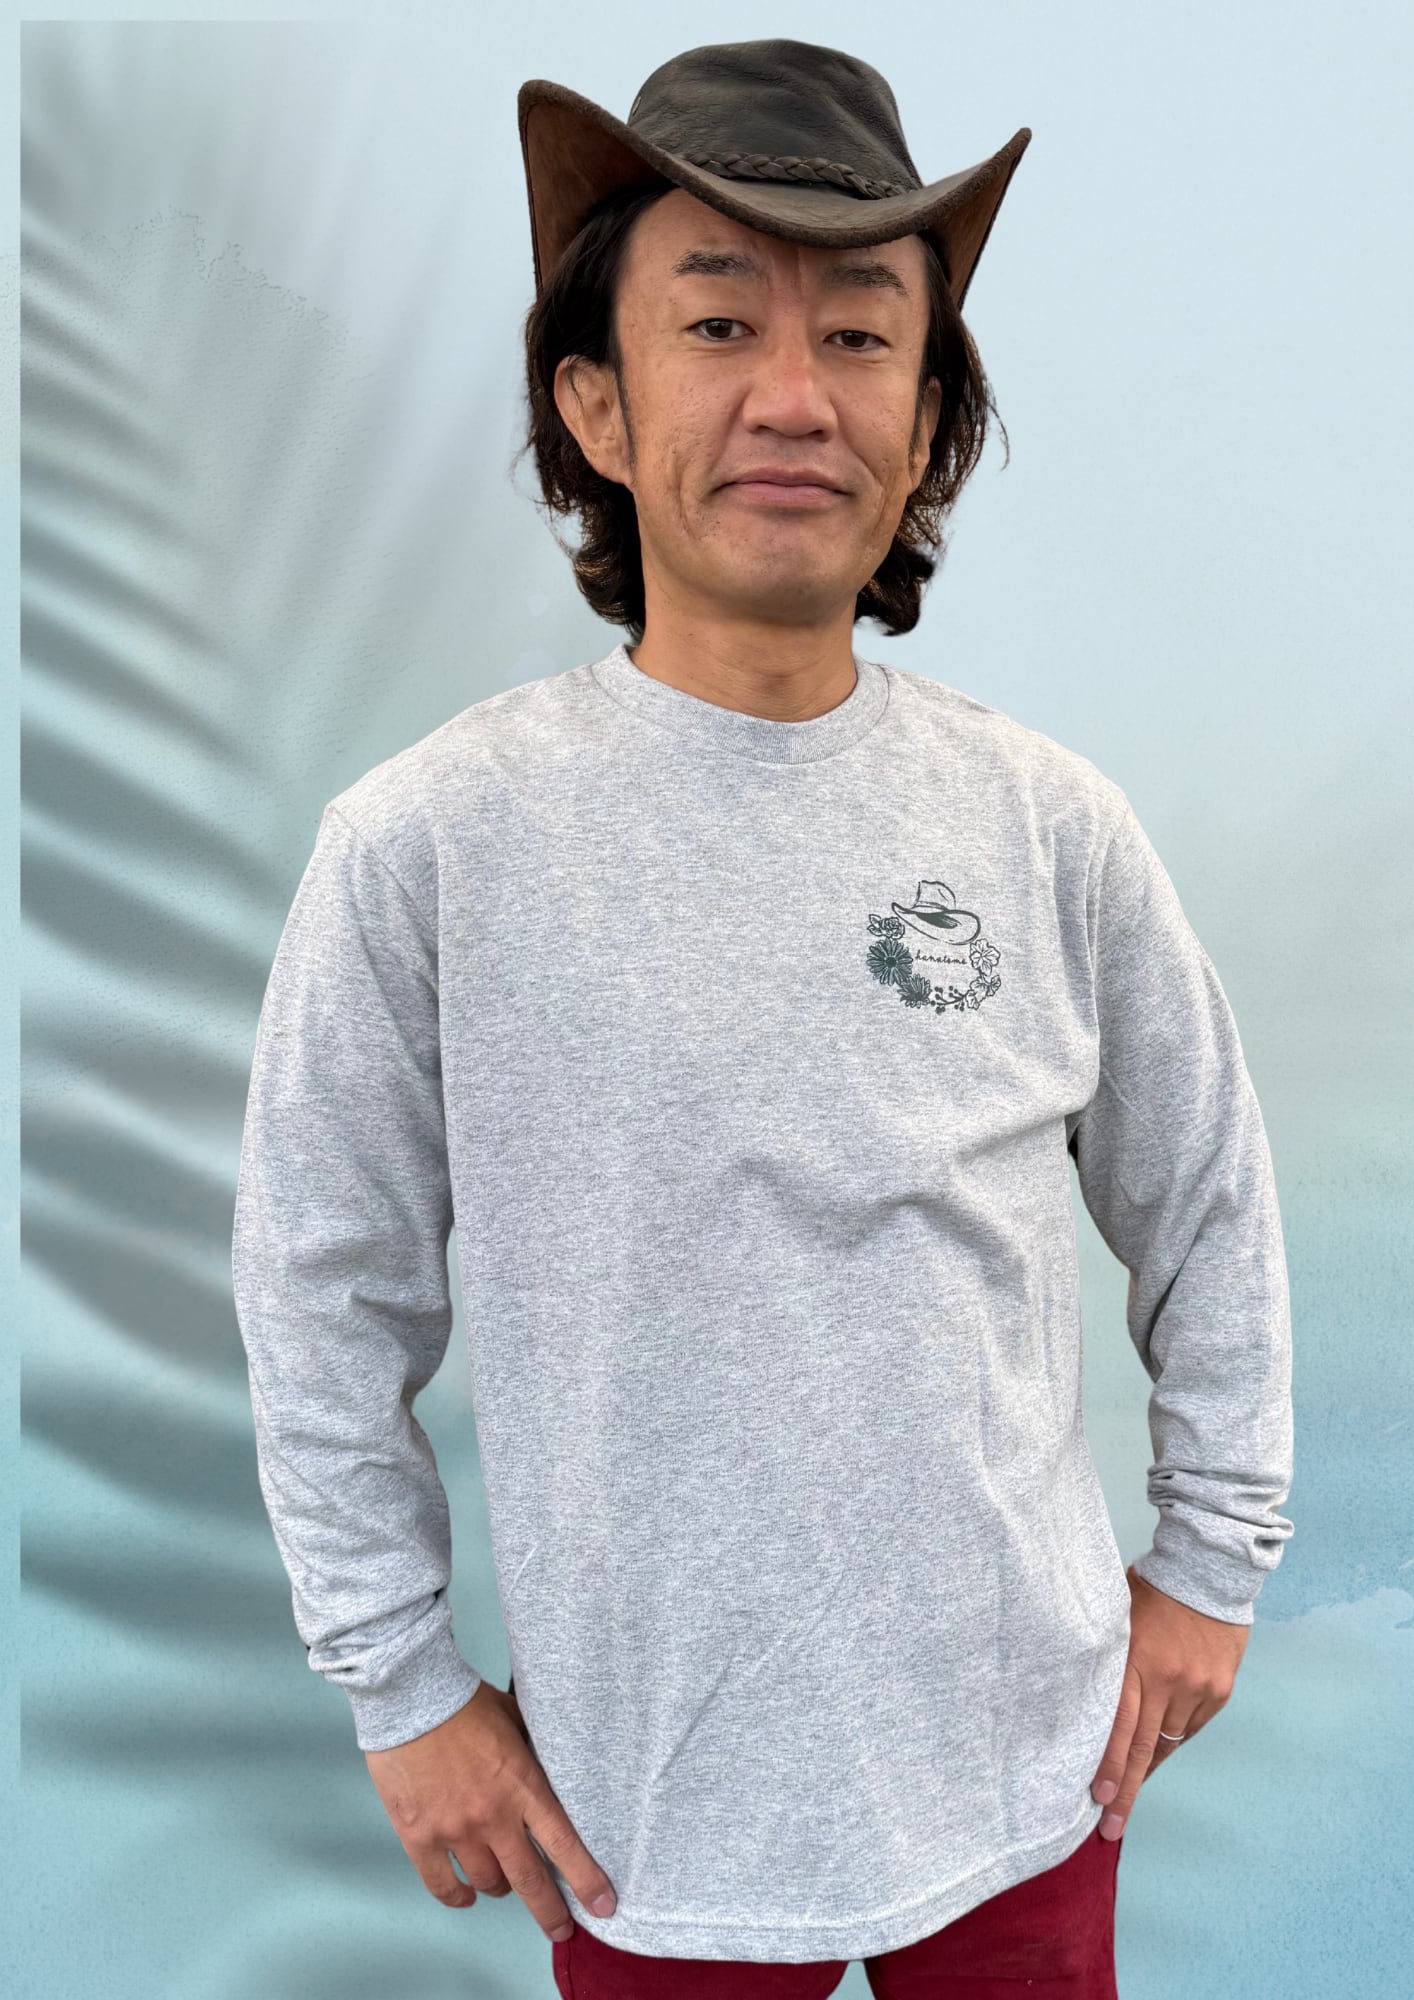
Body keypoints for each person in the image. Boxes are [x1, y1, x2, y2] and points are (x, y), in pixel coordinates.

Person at [231, 38, 1295, 2000]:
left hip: (1028, 1771)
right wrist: (400, 1685)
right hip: (648, 1811)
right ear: (595, 402)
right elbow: (319, 1290)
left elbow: (1209, 1200)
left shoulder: (1046, 825)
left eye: (861, 336)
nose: (792, 396)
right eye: (716, 321)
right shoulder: (428, 847)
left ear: (926, 418)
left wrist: (1211, 1564)